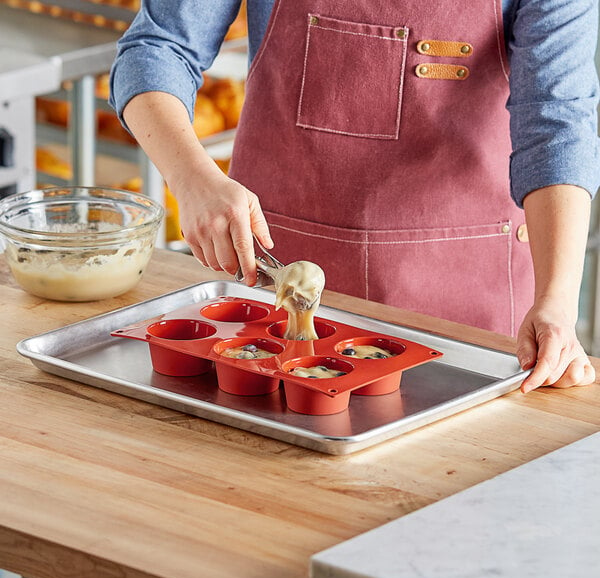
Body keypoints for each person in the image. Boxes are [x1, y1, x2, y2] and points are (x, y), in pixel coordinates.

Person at [110, 0, 599, 393]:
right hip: (272, 272)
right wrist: (194, 179)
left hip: (469, 294)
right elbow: (158, 46)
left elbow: (557, 123)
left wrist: (557, 300)